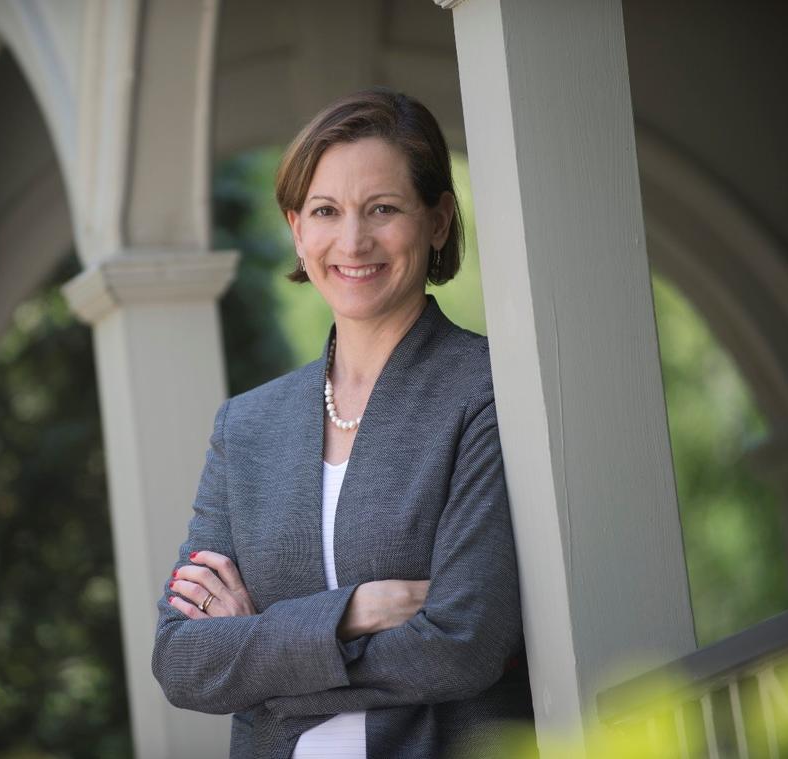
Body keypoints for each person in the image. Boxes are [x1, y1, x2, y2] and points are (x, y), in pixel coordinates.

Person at [152, 88, 534, 758]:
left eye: (382, 209)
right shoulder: (246, 427)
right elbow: (182, 658)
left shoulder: (486, 389)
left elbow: (463, 645)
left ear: (438, 220)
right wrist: (353, 613)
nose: (353, 241)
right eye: (326, 211)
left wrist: (262, 652)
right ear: (298, 229)